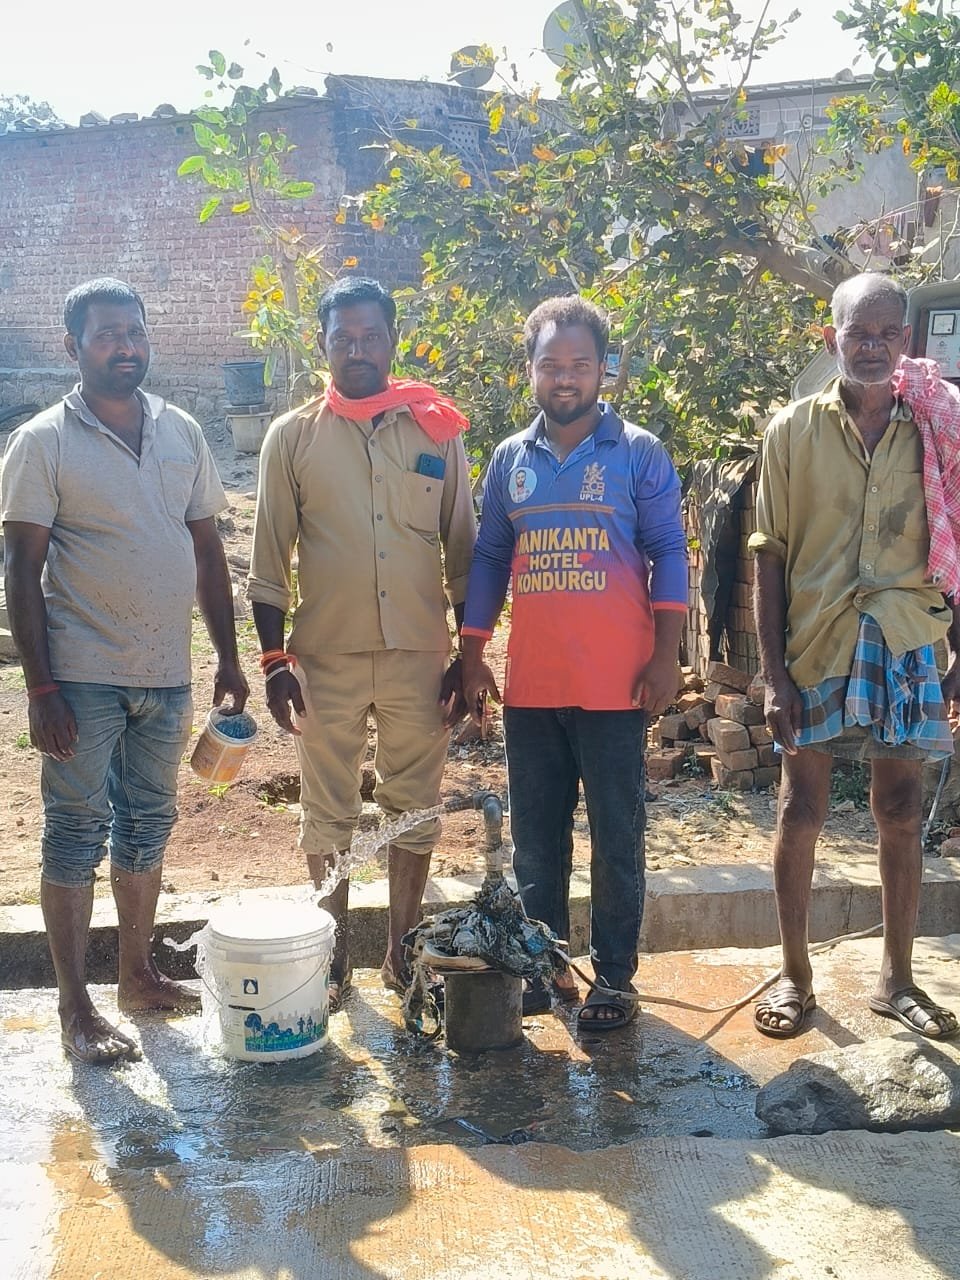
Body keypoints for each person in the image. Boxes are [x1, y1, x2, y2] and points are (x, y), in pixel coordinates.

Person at [1, 277, 248, 1064]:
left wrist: (229, 659)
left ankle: (137, 977)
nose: (125, 347)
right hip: (80, 677)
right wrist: (41, 688)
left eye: (134, 332)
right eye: (107, 335)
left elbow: (207, 551)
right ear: (73, 347)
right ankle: (75, 1006)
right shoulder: (43, 441)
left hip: (166, 673)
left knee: (147, 824)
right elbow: (21, 568)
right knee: (76, 831)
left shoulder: (180, 430)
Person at [248, 277, 476, 1010]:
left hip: (419, 657)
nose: (356, 350)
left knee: (413, 807)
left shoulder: (437, 430)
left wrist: (469, 659)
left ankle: (402, 954)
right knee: (328, 809)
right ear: (322, 345)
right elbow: (267, 563)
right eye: (342, 338)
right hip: (325, 657)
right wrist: (275, 664)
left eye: (370, 336)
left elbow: (464, 551)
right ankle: (332, 958)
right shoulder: (292, 438)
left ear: (392, 342)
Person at [462, 295, 688, 1031]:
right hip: (532, 686)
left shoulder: (639, 453)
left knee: (617, 840)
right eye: (551, 364)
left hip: (617, 687)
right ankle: (546, 967)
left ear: (603, 370)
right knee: (537, 843)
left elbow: (669, 553)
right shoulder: (509, 460)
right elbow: (490, 557)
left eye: (580, 364)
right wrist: (471, 652)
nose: (565, 378)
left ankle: (614, 980)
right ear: (530, 369)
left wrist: (666, 656)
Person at [751, 271, 960, 1040]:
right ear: (830, 337)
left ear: (905, 340)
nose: (872, 347)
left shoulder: (937, 425)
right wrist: (773, 676)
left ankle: (897, 980)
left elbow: (957, 536)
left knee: (899, 811)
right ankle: (794, 976)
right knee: (799, 810)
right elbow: (768, 554)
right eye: (856, 333)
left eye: (886, 334)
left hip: (905, 642)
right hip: (818, 641)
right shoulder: (791, 432)